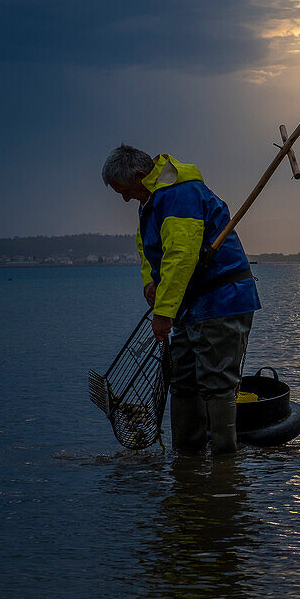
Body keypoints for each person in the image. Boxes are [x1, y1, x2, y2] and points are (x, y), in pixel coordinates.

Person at [102, 145, 260, 456]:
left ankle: (224, 468)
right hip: (192, 306)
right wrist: (150, 282)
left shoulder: (179, 193)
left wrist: (163, 312)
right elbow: (145, 244)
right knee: (184, 380)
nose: (125, 198)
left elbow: (181, 255)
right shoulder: (151, 200)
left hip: (223, 300)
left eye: (124, 190)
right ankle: (186, 462)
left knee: (217, 384)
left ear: (138, 176)